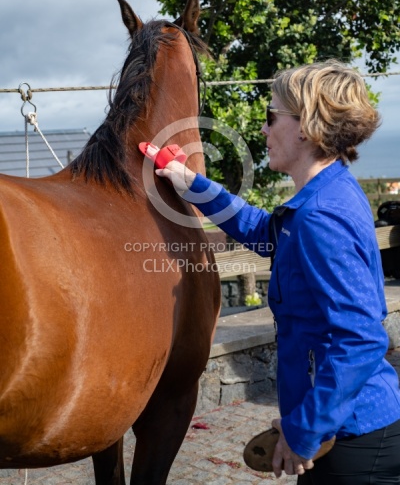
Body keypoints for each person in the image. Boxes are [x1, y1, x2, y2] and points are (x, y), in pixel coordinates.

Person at [143, 60, 400, 484]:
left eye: (270, 116)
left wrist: (302, 434)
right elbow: (267, 233)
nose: (262, 130)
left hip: (353, 443)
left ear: (306, 126)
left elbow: (359, 340)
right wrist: (192, 185)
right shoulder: (326, 194)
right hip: (343, 430)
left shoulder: (321, 216)